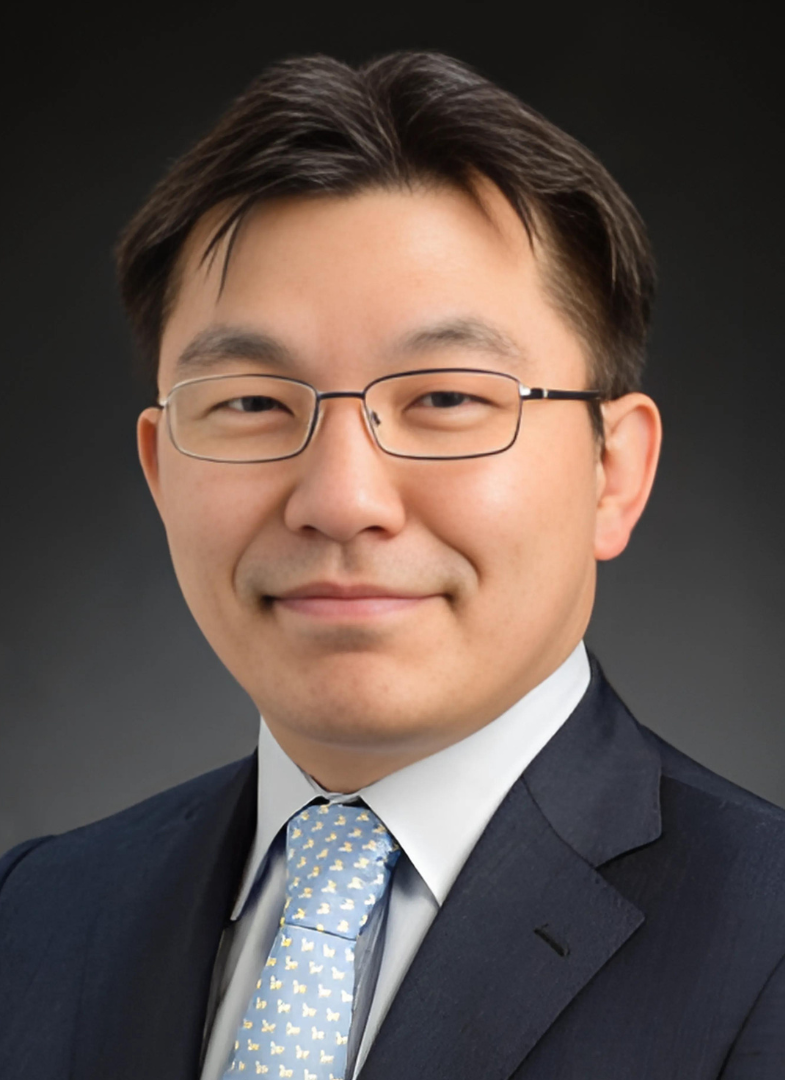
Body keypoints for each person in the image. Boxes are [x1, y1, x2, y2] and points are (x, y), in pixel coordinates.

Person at [1, 49, 783, 1080]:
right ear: (159, 469)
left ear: (612, 471)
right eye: (248, 405)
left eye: (446, 399)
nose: (340, 501)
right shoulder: (34, 916)